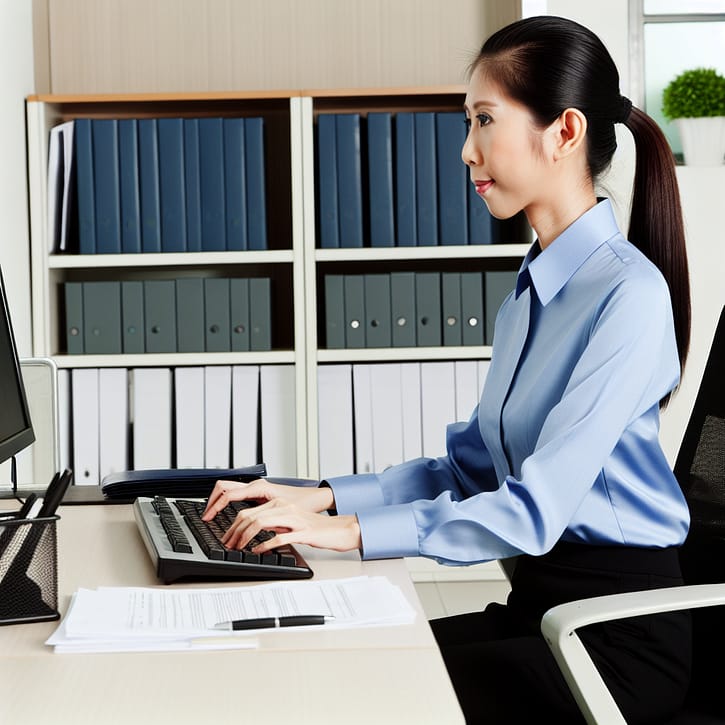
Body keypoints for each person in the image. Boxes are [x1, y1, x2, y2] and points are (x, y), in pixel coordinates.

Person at [203, 15, 692, 723]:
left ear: (563, 132)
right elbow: (465, 471)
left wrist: (352, 536)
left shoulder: (627, 296)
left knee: (365, 698)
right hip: (540, 612)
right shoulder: (534, 286)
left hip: (611, 643)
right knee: (339, 657)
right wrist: (319, 498)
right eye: (467, 123)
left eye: (484, 120)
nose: (466, 151)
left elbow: (534, 509)